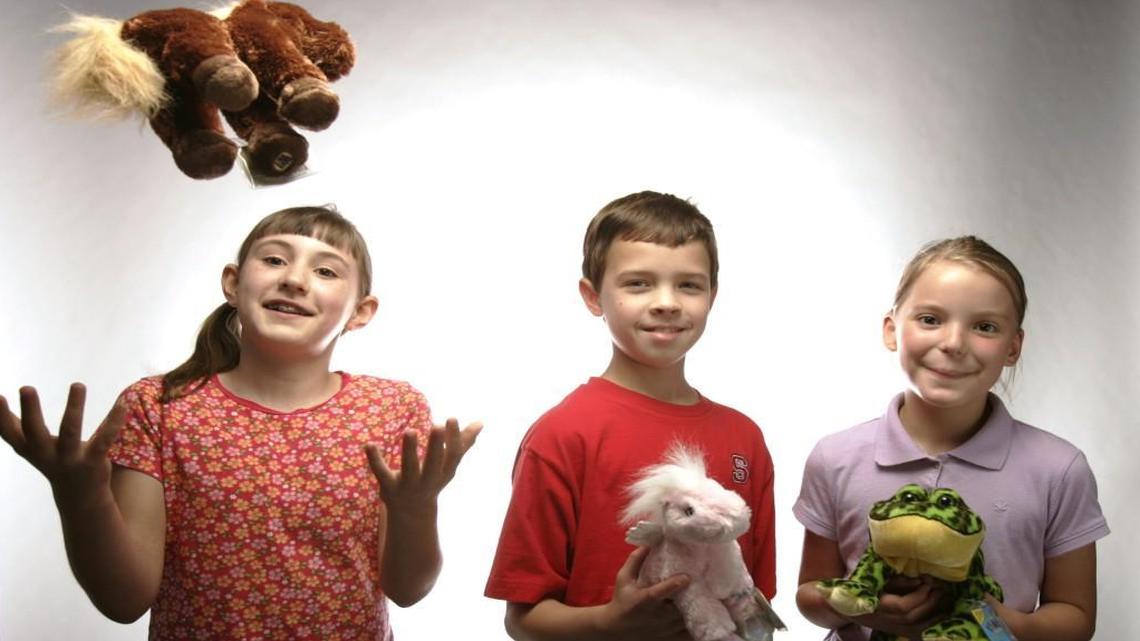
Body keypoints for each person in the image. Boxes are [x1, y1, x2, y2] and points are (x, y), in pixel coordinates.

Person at [0, 205, 480, 641]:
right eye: (274, 260)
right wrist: (80, 496)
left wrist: (417, 509)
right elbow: (124, 602)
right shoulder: (159, 406)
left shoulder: (392, 408)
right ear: (232, 282)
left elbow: (408, 589)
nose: (294, 279)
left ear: (361, 312)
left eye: (327, 270)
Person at [485, 191, 776, 640]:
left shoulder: (745, 438)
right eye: (638, 283)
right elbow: (523, 620)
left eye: (689, 285)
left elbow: (753, 601)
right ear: (593, 296)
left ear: (712, 297)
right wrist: (610, 622)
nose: (667, 302)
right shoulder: (562, 435)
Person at [794, 236, 1109, 641]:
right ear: (892, 330)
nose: (953, 343)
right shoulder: (835, 457)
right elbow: (810, 594)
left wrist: (995, 623)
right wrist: (870, 608)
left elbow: (1076, 617)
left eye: (984, 326)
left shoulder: (1058, 469)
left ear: (1013, 347)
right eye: (930, 319)